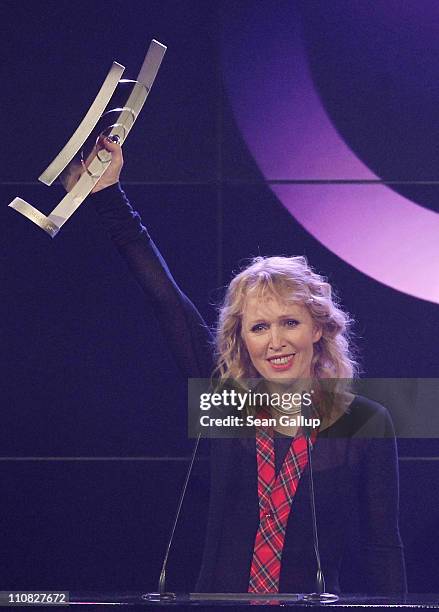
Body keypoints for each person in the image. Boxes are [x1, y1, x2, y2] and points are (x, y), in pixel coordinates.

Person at [70, 138, 407, 594]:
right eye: (259, 327)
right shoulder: (225, 403)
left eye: (290, 322)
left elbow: (383, 547)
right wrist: (109, 194)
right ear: (242, 340)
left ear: (318, 329)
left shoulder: (366, 423)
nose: (275, 342)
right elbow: (166, 301)